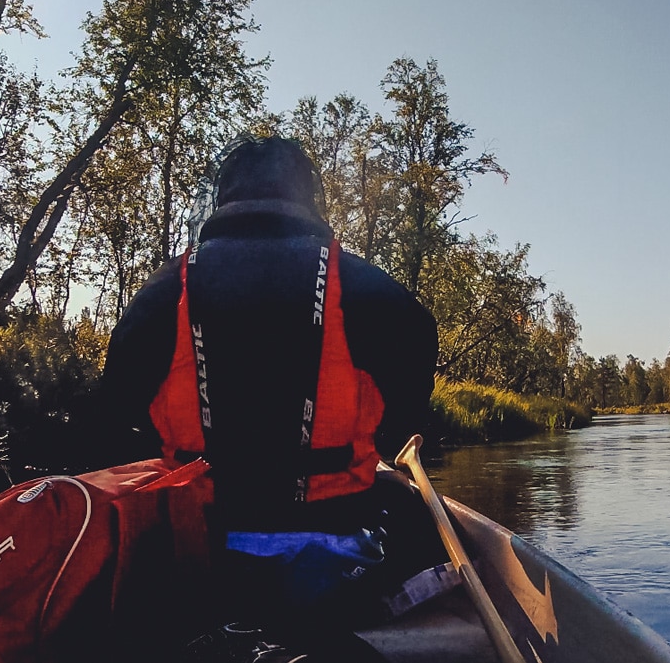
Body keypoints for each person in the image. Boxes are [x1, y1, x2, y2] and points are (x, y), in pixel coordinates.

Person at [97, 136, 443, 655]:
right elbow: (418, 340)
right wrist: (390, 430)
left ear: (225, 197)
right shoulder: (360, 284)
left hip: (207, 562)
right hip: (331, 565)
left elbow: (113, 413)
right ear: (308, 197)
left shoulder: (167, 288)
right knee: (406, 505)